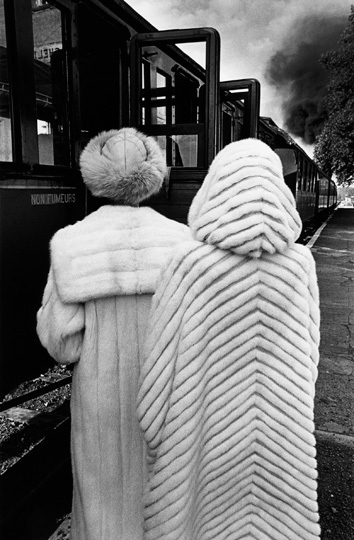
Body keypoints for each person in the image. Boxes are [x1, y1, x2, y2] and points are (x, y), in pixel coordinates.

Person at [137, 138, 321, 540]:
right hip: (280, 440)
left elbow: (157, 375)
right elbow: (309, 361)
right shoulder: (299, 265)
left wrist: (156, 436)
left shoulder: (188, 265)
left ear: (214, 187)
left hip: (201, 438)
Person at [36, 127, 191, 540]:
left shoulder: (72, 244)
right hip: (168, 398)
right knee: (165, 500)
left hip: (100, 402)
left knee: (102, 502)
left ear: (94, 175)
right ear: (154, 174)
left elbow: (61, 343)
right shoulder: (183, 242)